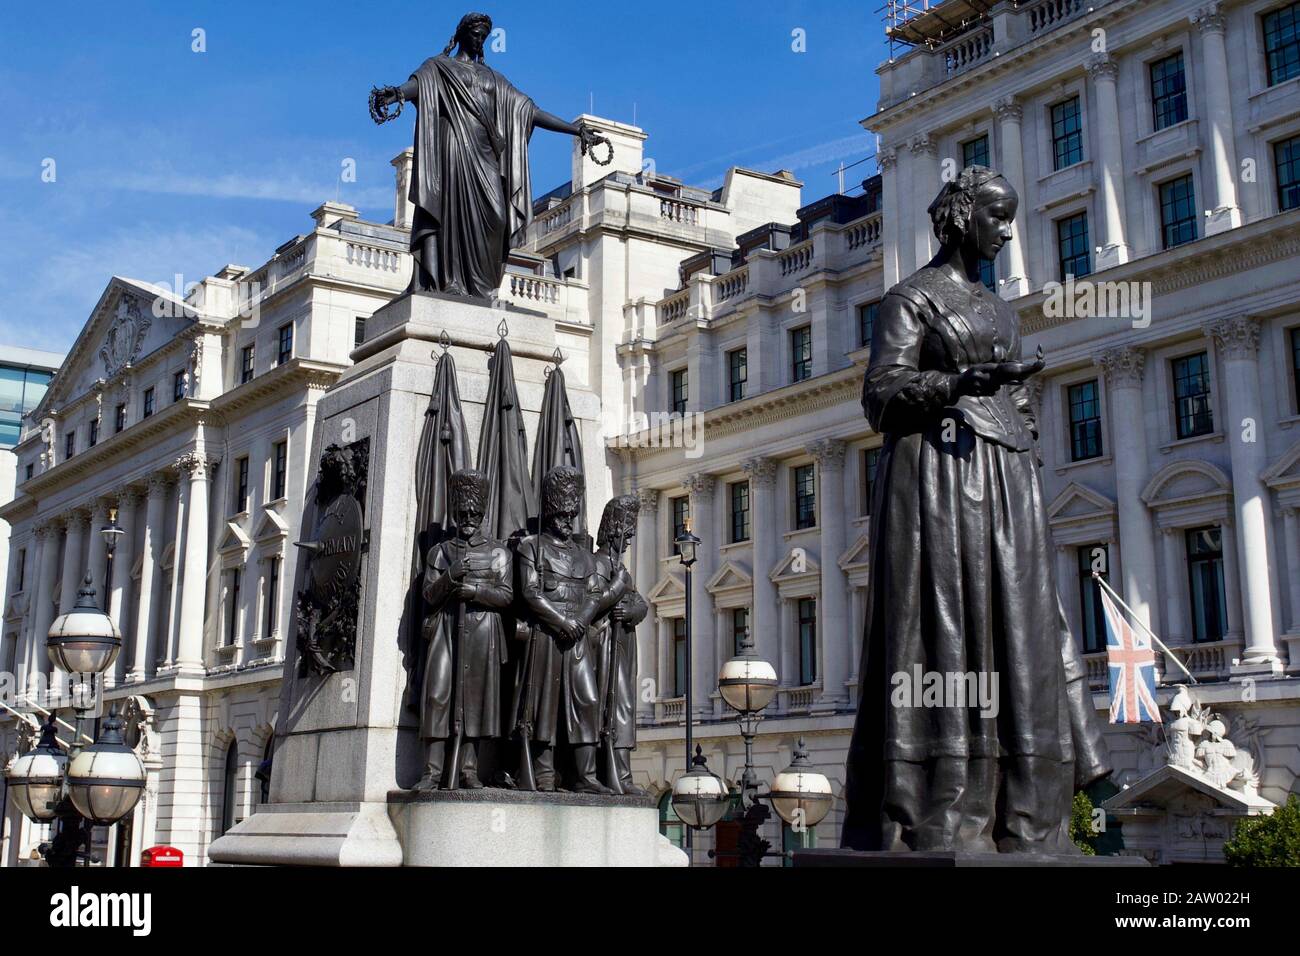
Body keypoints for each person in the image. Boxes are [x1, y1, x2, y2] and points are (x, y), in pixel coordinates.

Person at [840, 165, 1110, 855]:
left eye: (1011, 215)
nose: (1007, 230)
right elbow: (883, 397)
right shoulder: (910, 300)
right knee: (942, 625)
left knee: (1021, 628)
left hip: (1006, 476)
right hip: (936, 478)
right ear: (963, 216)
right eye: (997, 215)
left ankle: (1025, 812)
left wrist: (1018, 426)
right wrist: (961, 382)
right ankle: (940, 796)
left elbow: (1019, 409)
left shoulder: (1001, 310)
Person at [370, 12, 602, 298]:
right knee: (450, 211)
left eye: (484, 35)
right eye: (475, 33)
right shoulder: (440, 67)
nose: (479, 39)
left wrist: (575, 130)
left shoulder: (495, 78)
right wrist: (397, 94)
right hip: (453, 147)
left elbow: (530, 111)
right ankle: (449, 281)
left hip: (485, 155)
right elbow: (420, 86)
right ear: (461, 34)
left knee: (497, 217)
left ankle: (479, 287)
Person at [514, 467, 629, 792]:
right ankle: (544, 773)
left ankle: (586, 776)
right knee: (543, 706)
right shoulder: (531, 548)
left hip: (577, 637)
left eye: (572, 515)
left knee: (587, 700)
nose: (568, 521)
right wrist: (562, 622)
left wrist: (579, 620)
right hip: (548, 635)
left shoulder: (584, 556)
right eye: (562, 514)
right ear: (551, 511)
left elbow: (594, 593)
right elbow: (530, 593)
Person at [414, 469, 513, 791]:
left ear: (482, 514)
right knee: (438, 695)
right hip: (445, 631)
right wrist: (450, 575)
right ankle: (432, 771)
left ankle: (469, 769)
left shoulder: (499, 553)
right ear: (455, 513)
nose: (468, 518)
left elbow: (507, 595)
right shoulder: (440, 552)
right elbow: (429, 594)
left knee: (475, 700)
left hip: (484, 632)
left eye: (475, 513)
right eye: (463, 513)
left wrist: (474, 593)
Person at [592, 496, 649, 794]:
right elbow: (591, 604)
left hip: (623, 649)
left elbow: (640, 603)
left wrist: (631, 611)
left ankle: (623, 775)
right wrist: (616, 593)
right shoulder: (596, 563)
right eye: (626, 535)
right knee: (609, 709)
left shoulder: (621, 568)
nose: (628, 541)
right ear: (614, 531)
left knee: (623, 709)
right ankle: (609, 773)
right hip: (603, 647)